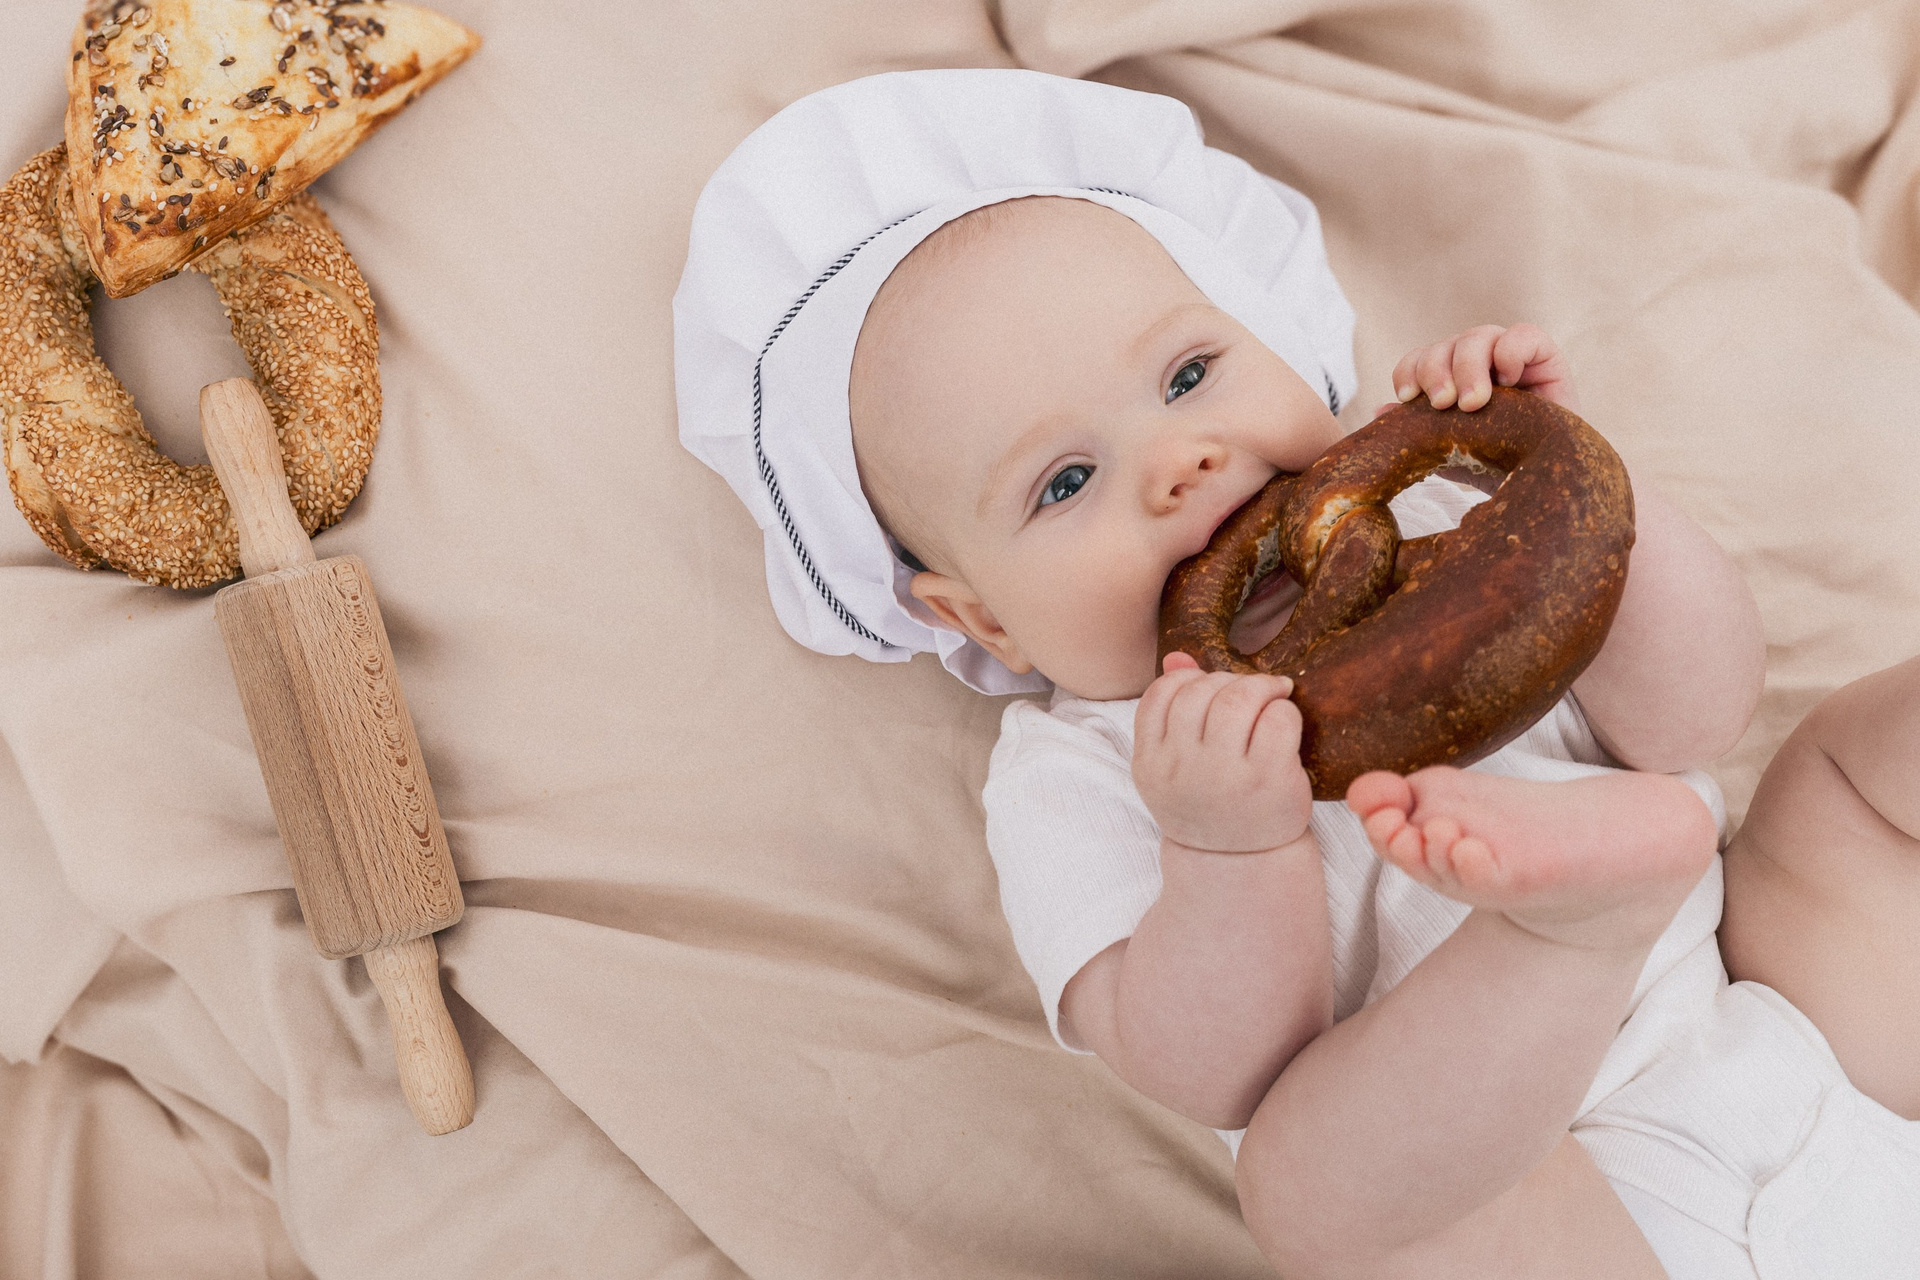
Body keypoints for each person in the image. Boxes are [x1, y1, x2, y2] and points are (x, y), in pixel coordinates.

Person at [675, 68, 1920, 1279]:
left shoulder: (1440, 521)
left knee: (1843, 778)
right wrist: (1225, 844)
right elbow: (1216, 1070)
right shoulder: (1085, 767)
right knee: (1308, 1184)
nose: (1179, 460)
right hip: (1565, 1210)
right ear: (985, 617)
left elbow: (1693, 718)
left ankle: (1603, 906)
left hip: (1793, 1019)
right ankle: (1570, 928)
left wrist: (1579, 496)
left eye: (1188, 375)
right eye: (1066, 481)